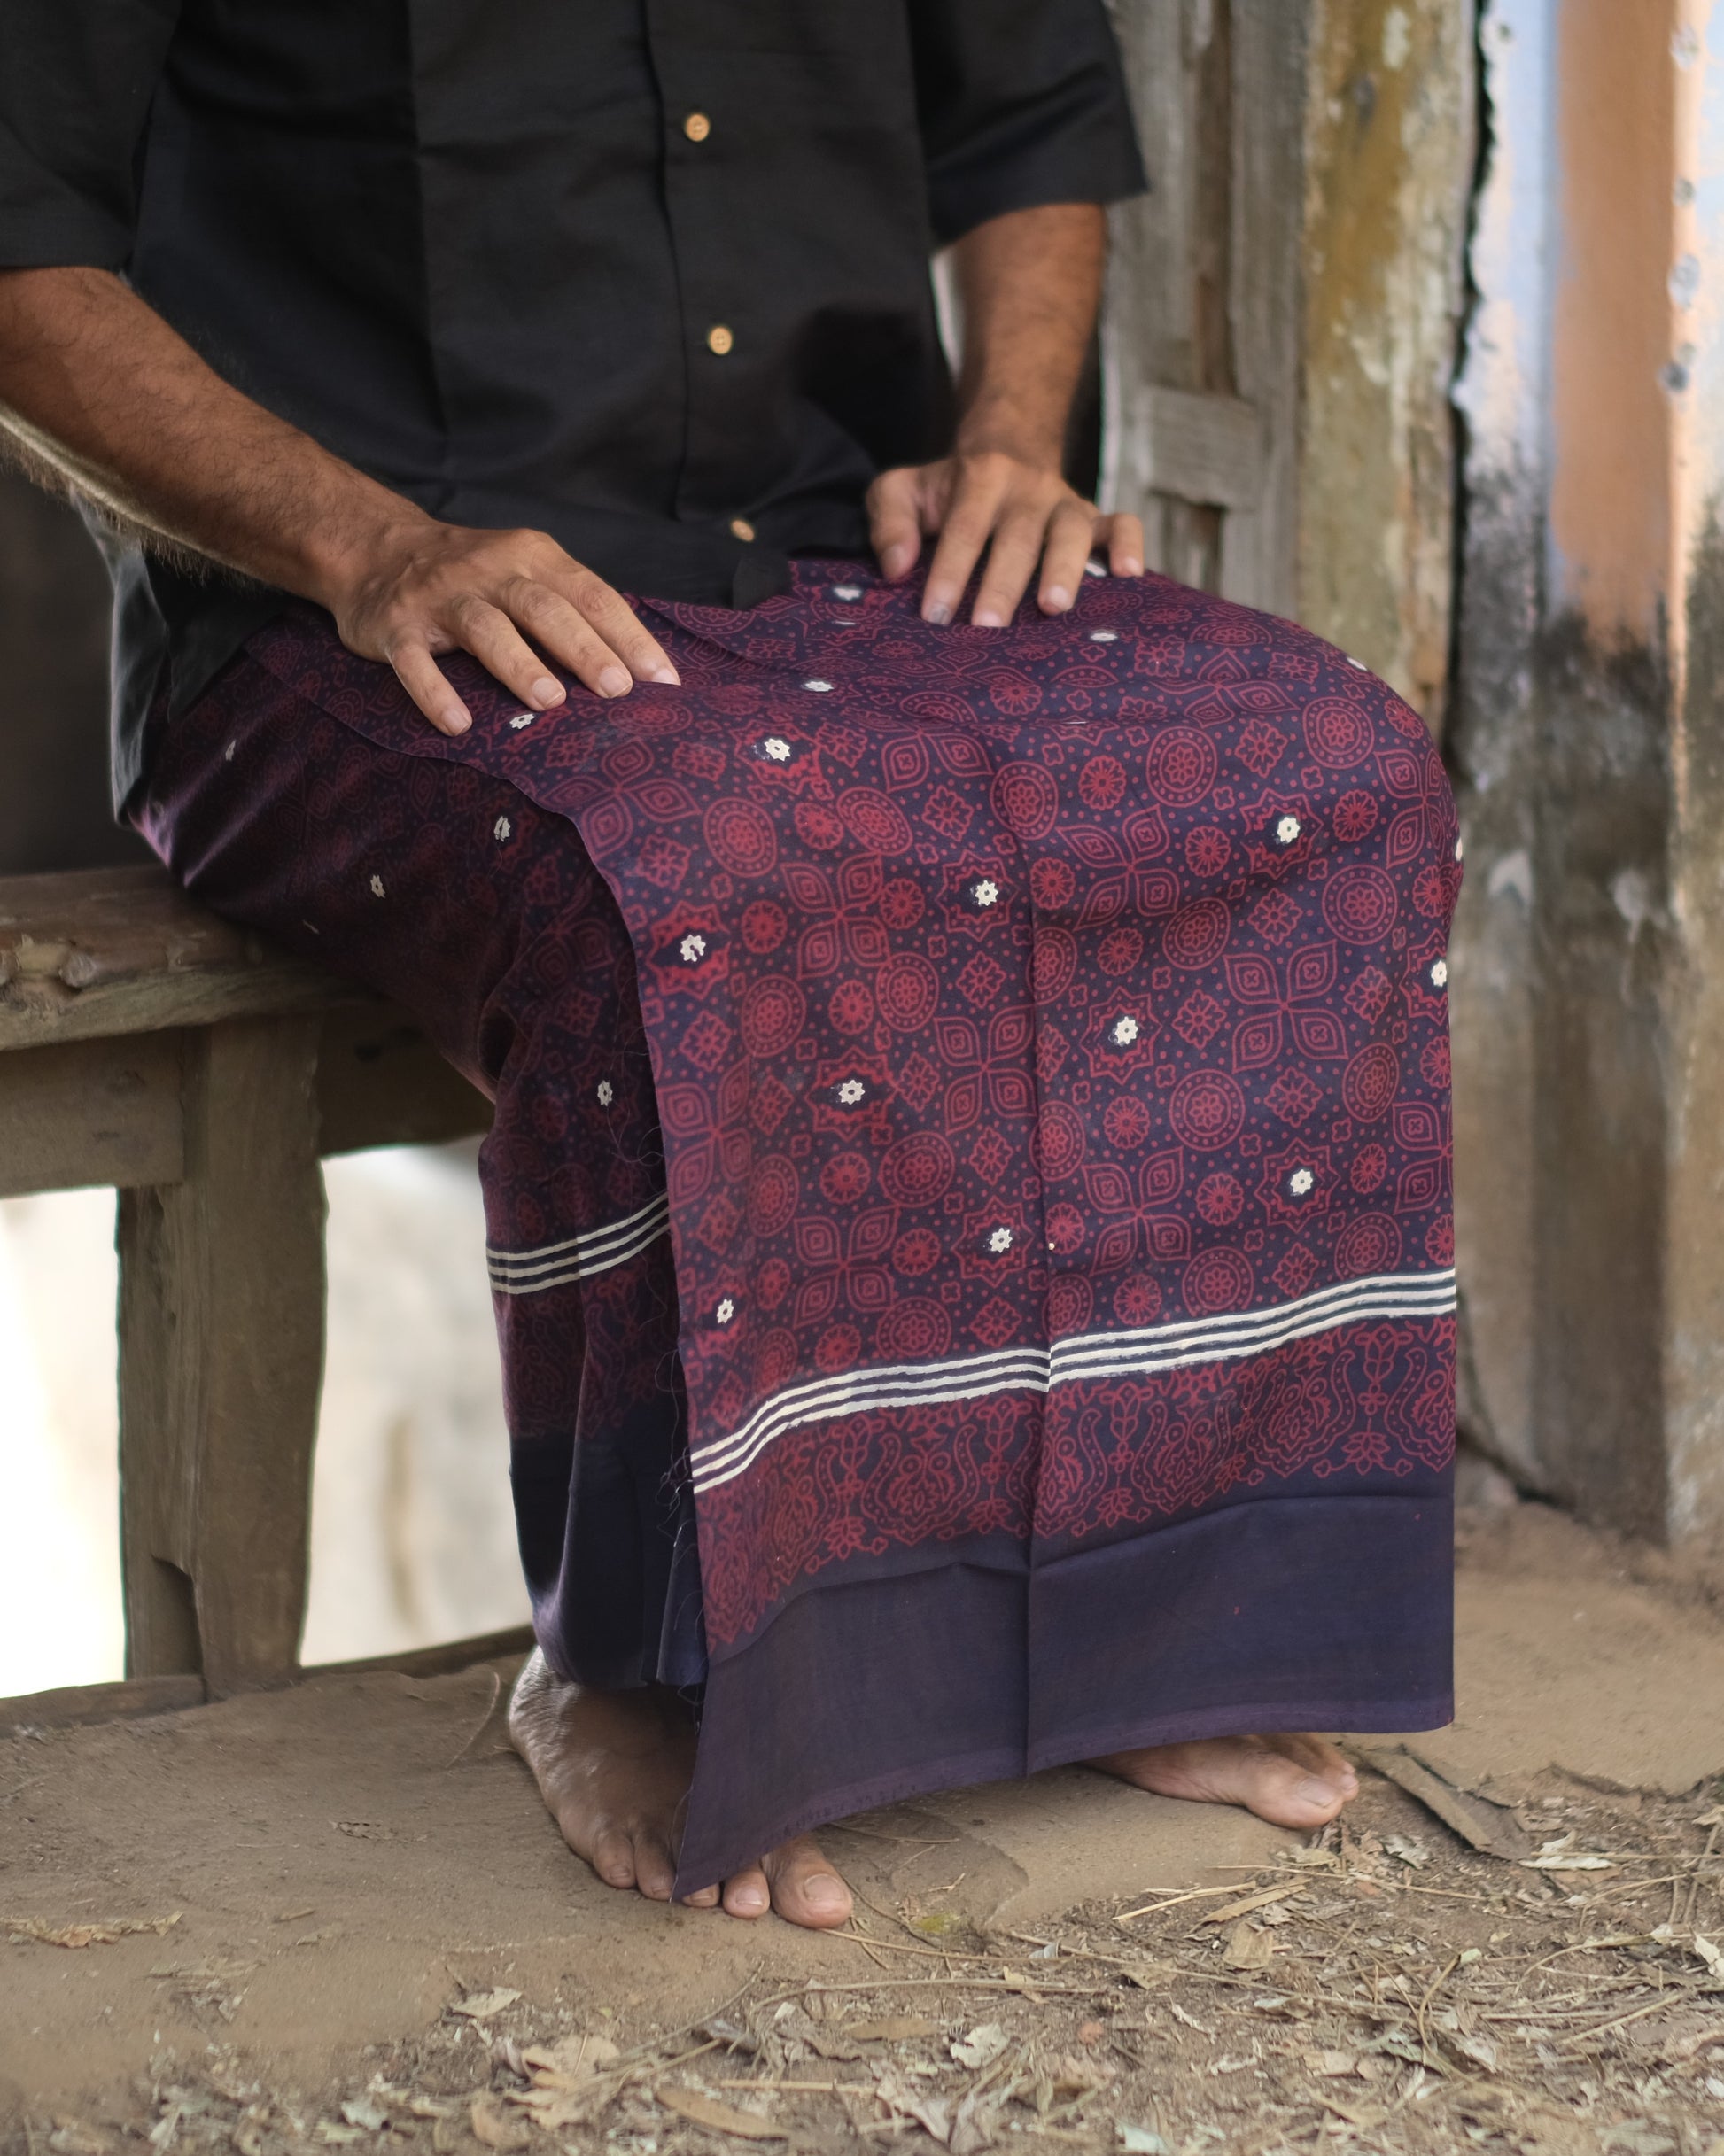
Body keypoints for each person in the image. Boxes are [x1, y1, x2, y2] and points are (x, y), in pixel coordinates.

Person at [0, 0, 1458, 1930]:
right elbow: (21, 248)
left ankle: (1137, 1625)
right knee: (686, 865)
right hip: (342, 614)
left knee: (1327, 768)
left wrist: (1007, 444)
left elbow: (1027, 112)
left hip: (849, 554)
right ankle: (634, 1656)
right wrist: (366, 547)